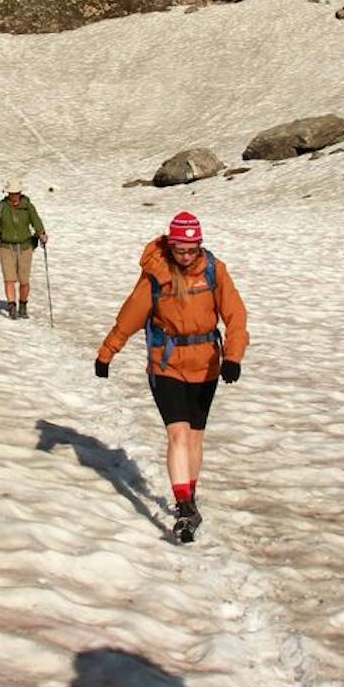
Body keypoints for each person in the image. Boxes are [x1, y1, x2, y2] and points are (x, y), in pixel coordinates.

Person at [94, 212, 248, 543]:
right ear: (170, 245)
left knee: (194, 436)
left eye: (192, 250)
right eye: (180, 250)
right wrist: (107, 353)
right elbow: (131, 315)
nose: (186, 256)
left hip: (207, 362)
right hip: (167, 362)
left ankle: (189, 498)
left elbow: (236, 314)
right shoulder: (157, 274)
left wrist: (233, 356)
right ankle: (183, 506)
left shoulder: (214, 270)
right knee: (177, 433)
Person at [0, 180, 47, 319]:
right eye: (12, 194)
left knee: (24, 281)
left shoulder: (28, 207)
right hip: (6, 247)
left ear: (20, 193)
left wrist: (41, 234)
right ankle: (12, 307)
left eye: (17, 193)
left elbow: (36, 222)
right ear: (8, 194)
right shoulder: (0, 207)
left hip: (25, 247)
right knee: (9, 279)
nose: (15, 197)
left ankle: (23, 305)